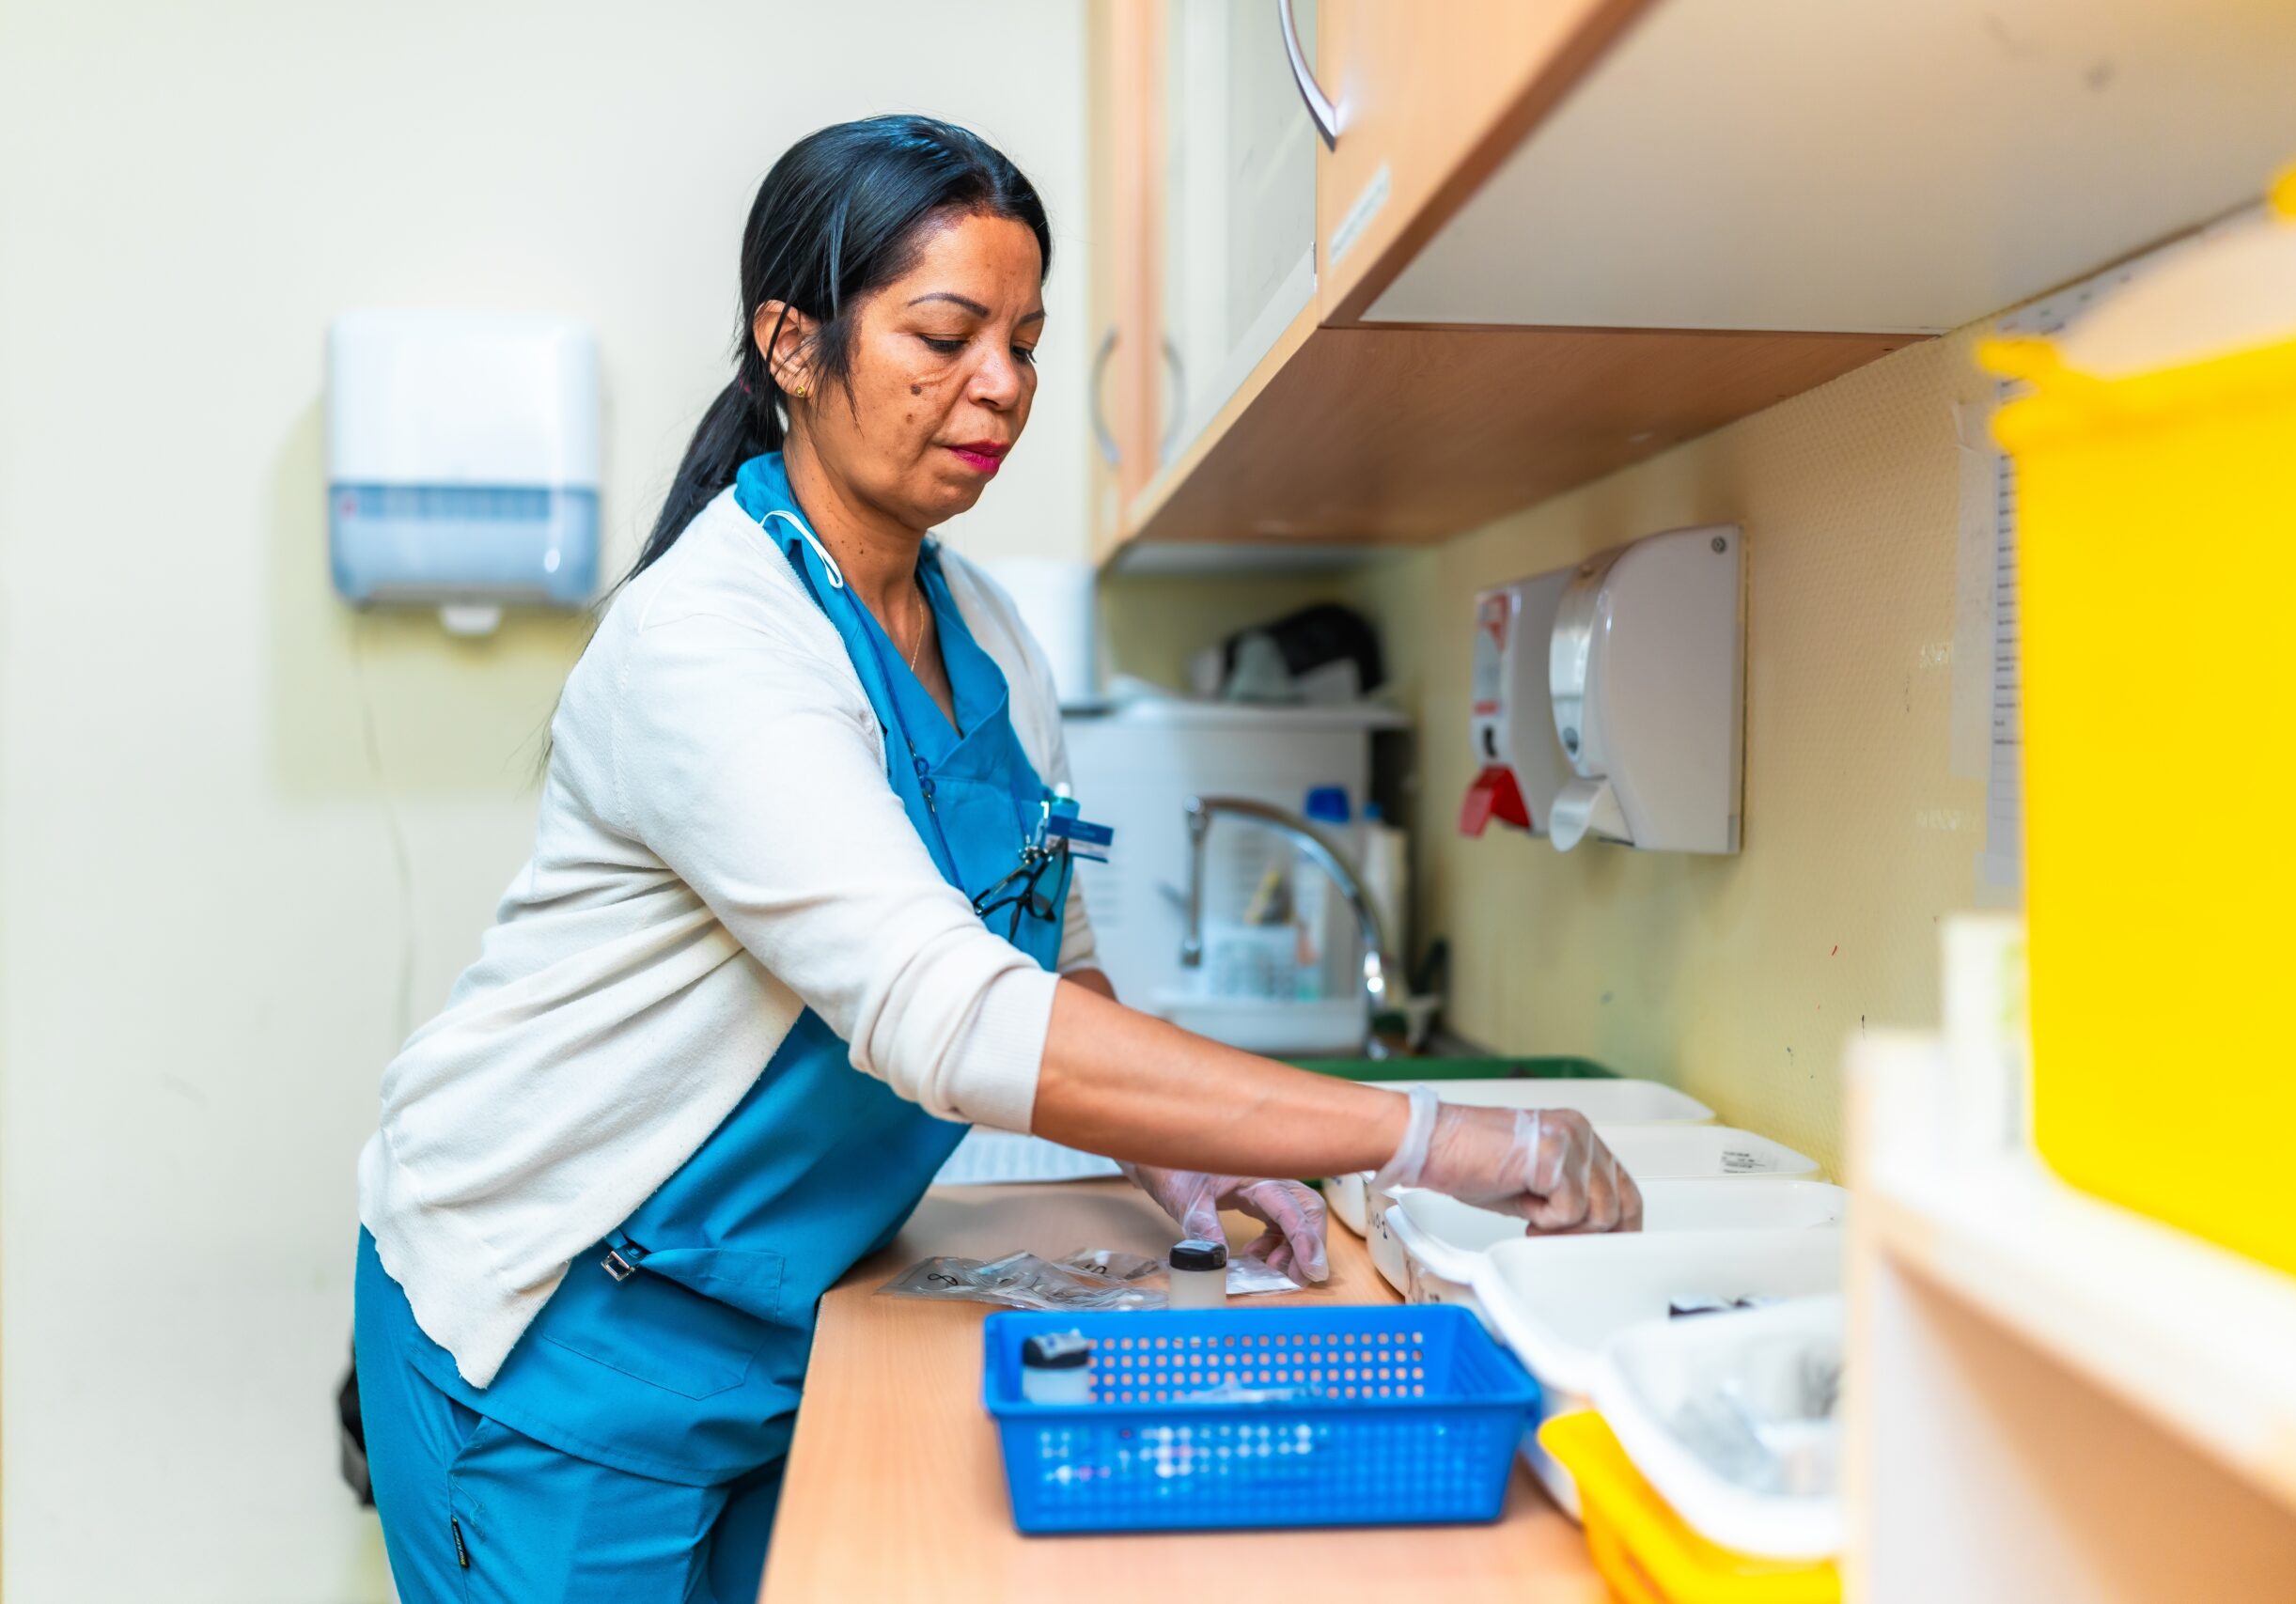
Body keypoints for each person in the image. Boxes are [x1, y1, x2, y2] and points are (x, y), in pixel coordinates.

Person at [351, 114, 1641, 1602]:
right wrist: (1426, 1136)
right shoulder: (711, 638)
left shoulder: (991, 642)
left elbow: (1060, 968)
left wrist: (1189, 1151)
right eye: (948, 334)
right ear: (791, 342)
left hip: (785, 1328)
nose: (1005, 387)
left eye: (1025, 340)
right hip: (560, 1347)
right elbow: (944, 1014)